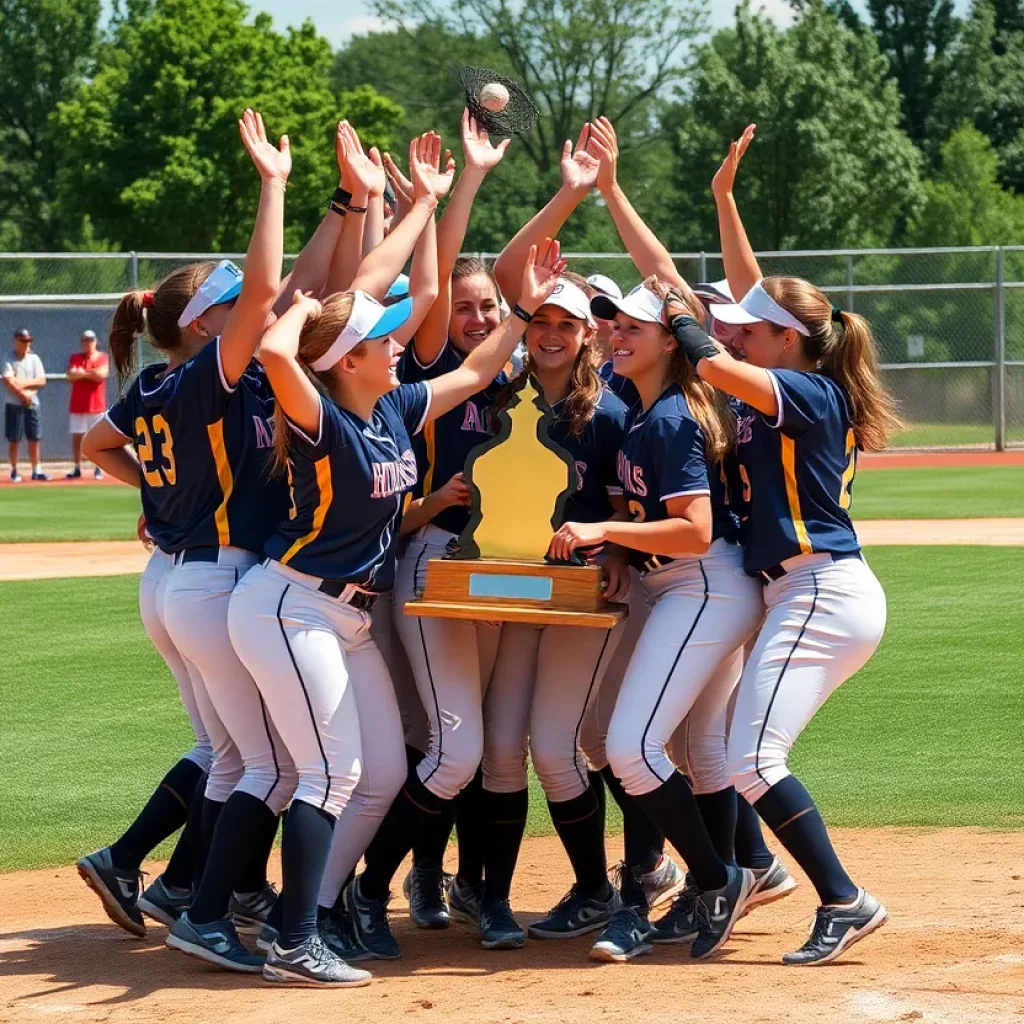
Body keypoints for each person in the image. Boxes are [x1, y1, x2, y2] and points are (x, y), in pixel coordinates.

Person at [226, 126, 565, 986]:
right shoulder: (327, 416)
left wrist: (519, 302)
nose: (395, 340)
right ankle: (295, 937)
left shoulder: (391, 407)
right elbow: (276, 347)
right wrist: (306, 304)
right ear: (349, 360)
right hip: (290, 606)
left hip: (341, 620)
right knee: (331, 772)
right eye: (377, 338)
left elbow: (482, 364)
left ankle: (315, 918)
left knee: (379, 774)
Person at [658, 123, 896, 966]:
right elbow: (756, 296)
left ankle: (844, 897)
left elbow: (717, 362)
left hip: (818, 590)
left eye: (749, 331)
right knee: (733, 750)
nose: (732, 334)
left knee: (752, 756)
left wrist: (679, 315)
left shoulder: (802, 391)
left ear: (787, 343)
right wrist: (723, 199)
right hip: (806, 590)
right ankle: (764, 873)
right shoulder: (798, 374)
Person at [79, 110, 299, 967]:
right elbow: (268, 284)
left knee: (227, 751)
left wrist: (160, 493)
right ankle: (199, 898)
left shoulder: (162, 378)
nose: (255, 302)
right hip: (209, 582)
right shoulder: (208, 373)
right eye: (232, 299)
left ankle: (162, 877)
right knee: (259, 762)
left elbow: (100, 446)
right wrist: (272, 186)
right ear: (209, 321)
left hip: (173, 577)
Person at [353, 110, 511, 952]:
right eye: (469, 308)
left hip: (498, 573)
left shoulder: (513, 371)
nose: (478, 317)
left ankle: (455, 881)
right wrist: (459, 190)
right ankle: (387, 882)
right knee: (436, 739)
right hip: (416, 564)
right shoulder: (420, 373)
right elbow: (435, 283)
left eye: (493, 308)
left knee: (475, 739)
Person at [473, 271, 630, 949]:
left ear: (587, 334)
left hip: (576, 597)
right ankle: (495, 902)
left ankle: (597, 887)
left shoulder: (608, 415)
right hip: (510, 590)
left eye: (567, 324)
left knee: (557, 749)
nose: (553, 334)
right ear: (525, 328)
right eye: (541, 321)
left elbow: (628, 511)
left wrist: (617, 552)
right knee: (501, 748)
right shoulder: (499, 401)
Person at [3, 328, 48, 481]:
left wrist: (21, 383)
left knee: (34, 437)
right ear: (16, 341)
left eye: (28, 341)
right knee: (14, 439)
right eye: (23, 341)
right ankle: (14, 470)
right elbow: (8, 381)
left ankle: (37, 470)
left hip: (32, 403)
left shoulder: (34, 359)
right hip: (14, 403)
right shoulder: (8, 358)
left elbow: (41, 380)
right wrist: (23, 395)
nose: (26, 344)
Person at [66, 330, 110, 479]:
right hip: (78, 405)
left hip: (96, 405)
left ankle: (99, 467)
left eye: (90, 339)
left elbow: (101, 375)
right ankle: (77, 467)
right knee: (78, 437)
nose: (88, 342)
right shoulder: (75, 358)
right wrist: (90, 373)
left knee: (97, 437)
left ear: (96, 341)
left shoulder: (103, 358)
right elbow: (71, 375)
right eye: (85, 340)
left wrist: (82, 373)